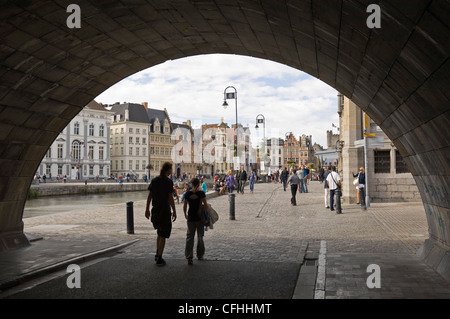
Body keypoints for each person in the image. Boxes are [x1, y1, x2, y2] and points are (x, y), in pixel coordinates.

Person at [145, 162, 177, 266]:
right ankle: (159, 257)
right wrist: (174, 211)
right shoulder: (168, 182)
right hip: (164, 210)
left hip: (155, 210)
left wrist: (147, 209)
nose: (171, 172)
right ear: (168, 170)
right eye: (170, 170)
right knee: (163, 234)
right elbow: (170, 198)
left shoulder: (154, 180)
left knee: (159, 233)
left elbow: (149, 196)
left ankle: (157, 252)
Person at [183, 178, 208, 265]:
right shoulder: (201, 193)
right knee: (200, 237)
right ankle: (200, 255)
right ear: (199, 184)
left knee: (190, 237)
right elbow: (206, 205)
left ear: (191, 184)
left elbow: (185, 206)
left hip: (190, 218)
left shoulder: (187, 193)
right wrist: (207, 216)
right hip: (199, 218)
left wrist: (185, 214)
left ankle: (189, 257)